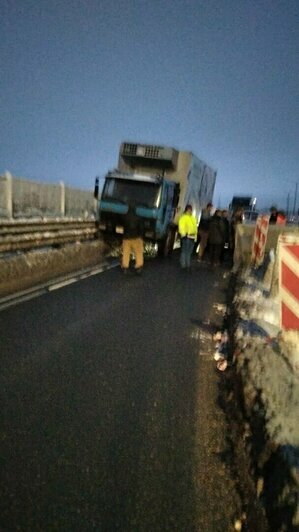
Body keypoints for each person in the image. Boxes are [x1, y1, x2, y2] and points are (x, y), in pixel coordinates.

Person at [121, 206, 144, 274]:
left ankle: (125, 267)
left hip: (126, 238)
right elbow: (141, 228)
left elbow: (123, 227)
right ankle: (139, 266)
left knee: (126, 252)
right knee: (138, 252)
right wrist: (141, 236)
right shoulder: (139, 218)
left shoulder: (125, 217)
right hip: (136, 238)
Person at [178, 204, 197, 270]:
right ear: (187, 210)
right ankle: (183, 264)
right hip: (187, 237)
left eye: (191, 210)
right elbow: (181, 227)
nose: (190, 211)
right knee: (185, 251)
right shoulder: (184, 217)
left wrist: (195, 238)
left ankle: (187, 265)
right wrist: (184, 235)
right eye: (189, 210)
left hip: (192, 237)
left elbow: (195, 229)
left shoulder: (192, 218)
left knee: (189, 252)